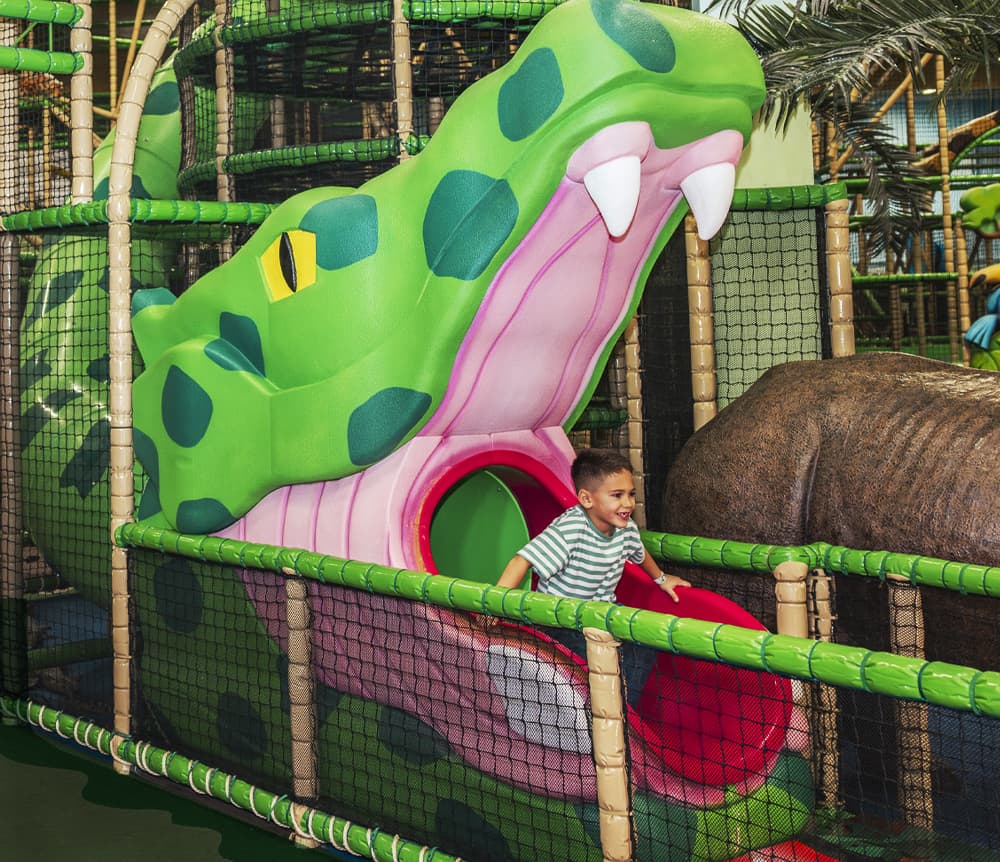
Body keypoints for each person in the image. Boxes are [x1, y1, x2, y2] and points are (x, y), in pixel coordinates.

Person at [491, 448, 690, 708]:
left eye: (631, 494)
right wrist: (495, 604)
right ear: (587, 499)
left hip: (602, 612)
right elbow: (522, 560)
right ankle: (601, 708)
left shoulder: (626, 529)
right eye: (617, 495)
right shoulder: (572, 528)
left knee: (647, 639)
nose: (628, 503)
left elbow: (639, 554)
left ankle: (623, 709)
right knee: (599, 659)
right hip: (560, 619)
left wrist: (662, 579)